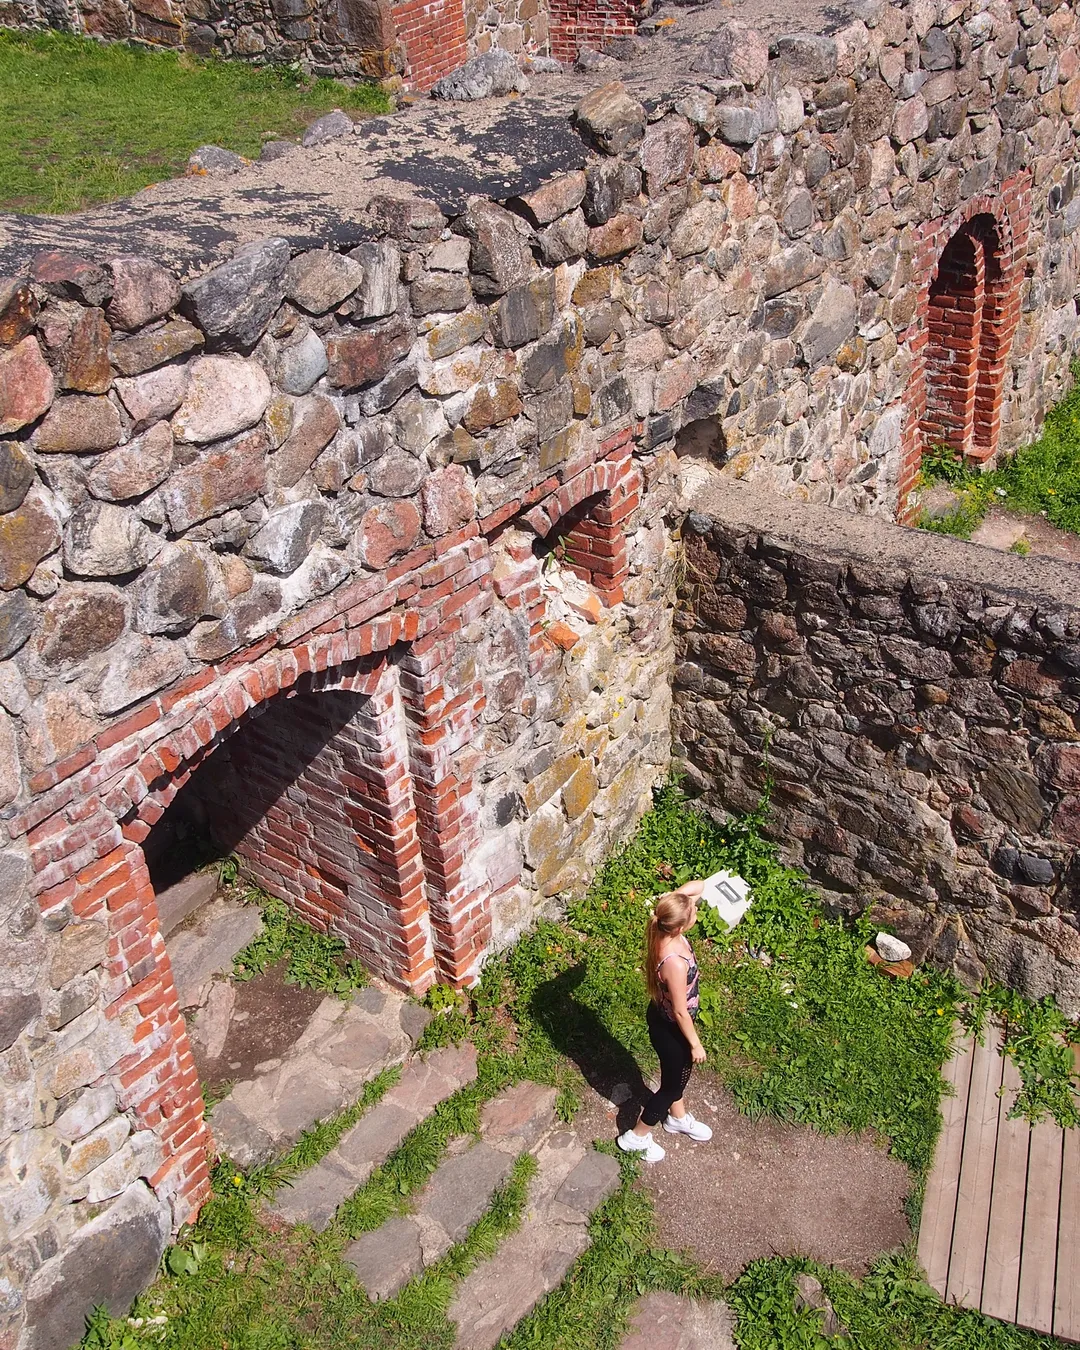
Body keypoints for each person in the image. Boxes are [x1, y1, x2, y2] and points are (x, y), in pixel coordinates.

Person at [618, 879, 713, 1163]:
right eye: (693, 913)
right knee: (672, 1086)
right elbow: (682, 1012)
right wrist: (695, 1044)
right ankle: (635, 1136)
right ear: (682, 926)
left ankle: (677, 1117)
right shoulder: (674, 961)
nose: (696, 911)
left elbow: (699, 888)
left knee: (675, 1076)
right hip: (672, 1029)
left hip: (663, 1018)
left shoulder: (665, 921)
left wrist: (684, 894)